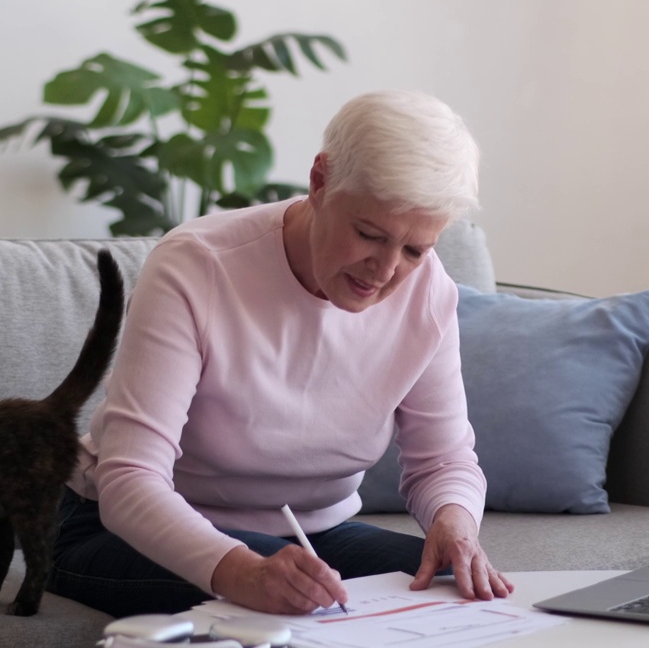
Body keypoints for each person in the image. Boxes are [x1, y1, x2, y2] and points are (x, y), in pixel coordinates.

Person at [49, 90, 514, 618]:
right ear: (320, 181)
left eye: (414, 250)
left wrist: (455, 523)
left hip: (311, 536)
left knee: (458, 587)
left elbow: (444, 461)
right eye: (368, 234)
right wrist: (239, 570)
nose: (385, 271)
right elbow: (131, 480)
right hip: (113, 531)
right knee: (300, 600)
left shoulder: (428, 295)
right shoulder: (196, 267)